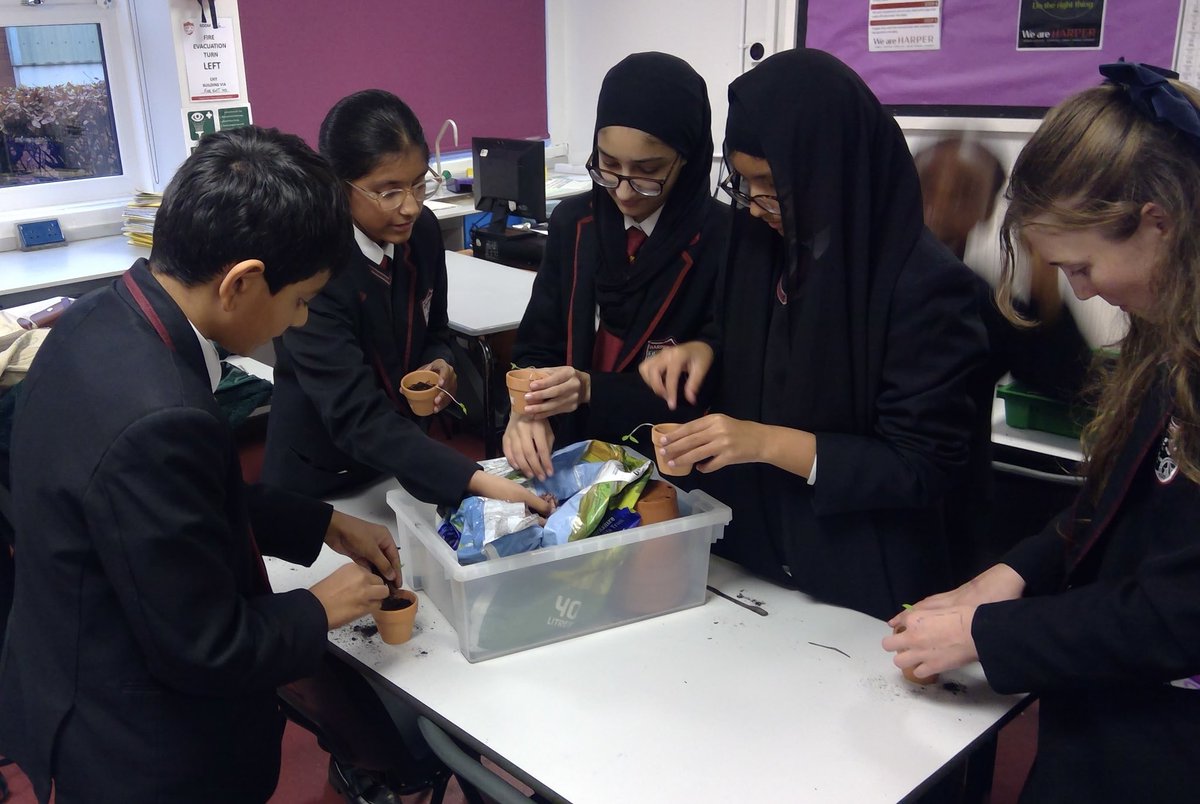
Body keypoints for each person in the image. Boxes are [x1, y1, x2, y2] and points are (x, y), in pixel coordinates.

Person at [0, 126, 401, 803]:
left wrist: (321, 523)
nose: (299, 321)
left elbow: (169, 508)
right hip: (141, 745)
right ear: (242, 283)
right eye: (300, 299)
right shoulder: (159, 417)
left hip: (69, 667)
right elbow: (204, 645)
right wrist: (316, 608)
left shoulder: (103, 316)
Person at [884, 61, 1200, 803]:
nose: (1084, 288)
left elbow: (1178, 610)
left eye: (1083, 265)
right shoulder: (1167, 340)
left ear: (1159, 221)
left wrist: (988, 635)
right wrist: (1012, 572)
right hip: (1102, 707)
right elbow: (1105, 505)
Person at [641, 49, 987, 620]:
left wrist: (762, 442)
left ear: (830, 171)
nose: (755, 207)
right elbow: (753, 344)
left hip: (863, 587)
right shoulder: (757, 246)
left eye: (772, 186)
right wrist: (703, 351)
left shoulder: (925, 286)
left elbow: (921, 467)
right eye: (743, 183)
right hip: (753, 563)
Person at [262, 88, 547, 510]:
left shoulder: (424, 234)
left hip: (404, 458)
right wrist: (472, 478)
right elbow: (354, 415)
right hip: (326, 475)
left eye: (418, 183)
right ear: (340, 187)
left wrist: (441, 363)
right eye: (388, 191)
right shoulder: (313, 268)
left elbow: (435, 329)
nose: (410, 207)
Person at [504, 52, 728, 480]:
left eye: (648, 172)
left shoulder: (725, 240)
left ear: (689, 158)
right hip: (571, 456)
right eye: (608, 166)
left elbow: (715, 383)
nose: (623, 192)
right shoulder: (574, 222)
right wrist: (527, 411)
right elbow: (538, 344)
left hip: (668, 468)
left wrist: (592, 390)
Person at [915, 137, 1094, 579]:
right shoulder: (863, 281)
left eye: (959, 194)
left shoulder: (982, 301)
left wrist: (1041, 259)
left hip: (952, 513)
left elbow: (1068, 380)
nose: (936, 205)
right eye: (924, 186)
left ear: (983, 210)